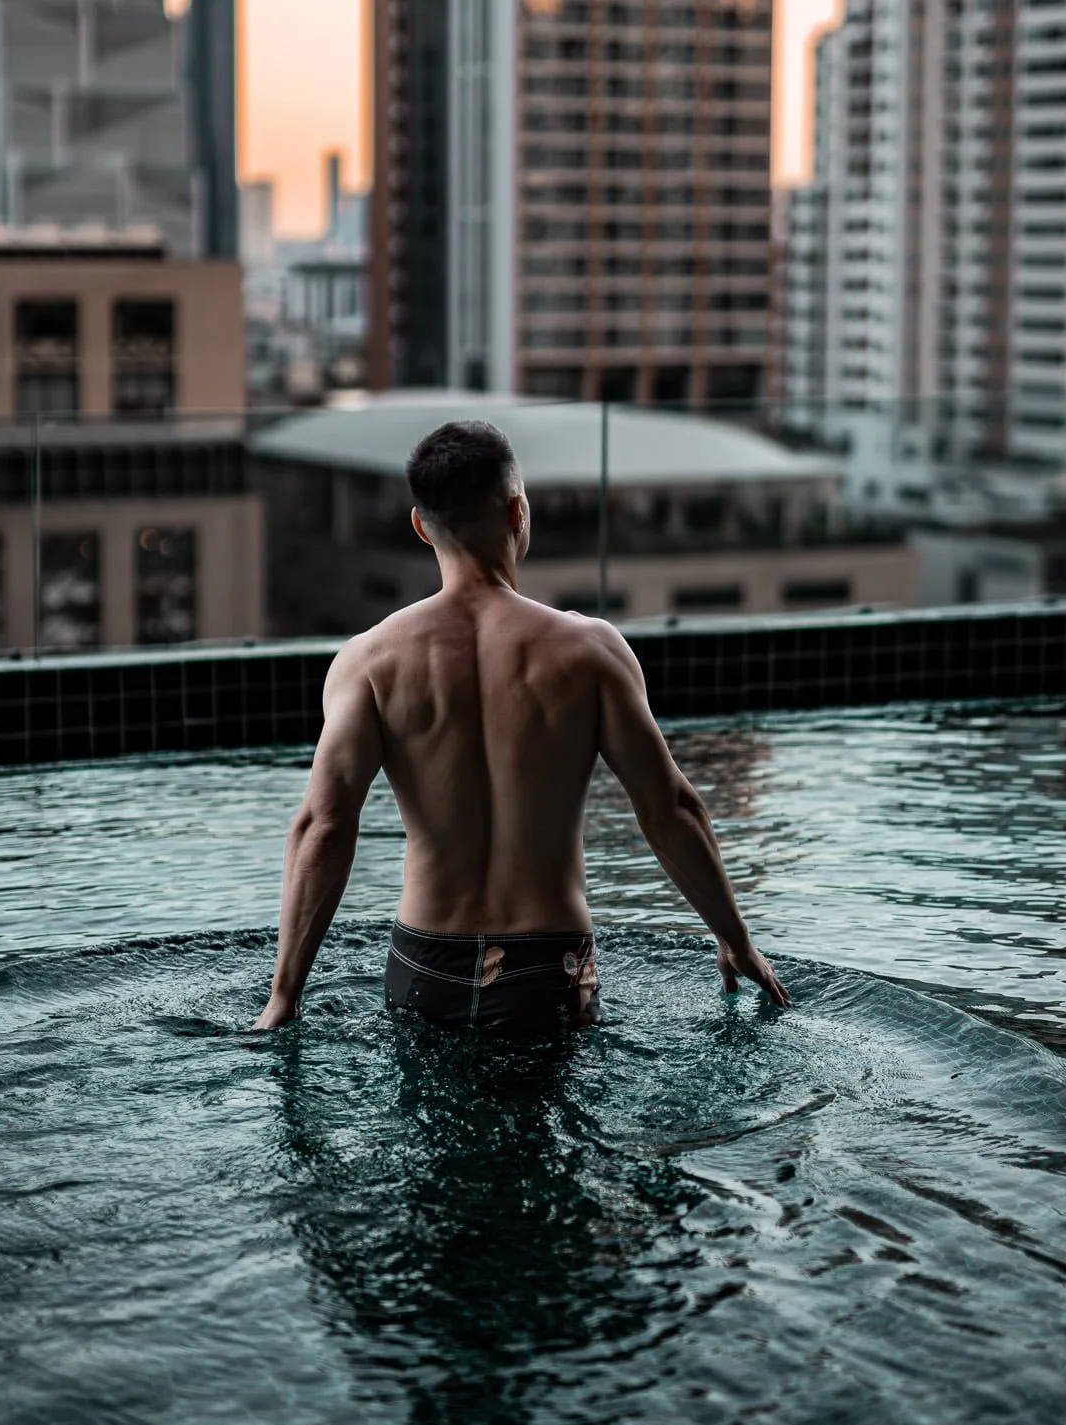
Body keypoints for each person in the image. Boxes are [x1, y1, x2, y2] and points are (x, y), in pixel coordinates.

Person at [251, 419, 789, 1033]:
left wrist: (283, 995)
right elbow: (670, 808)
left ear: (421, 526)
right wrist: (735, 938)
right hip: (550, 964)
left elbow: (323, 826)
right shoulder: (590, 652)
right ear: (517, 510)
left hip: (427, 960)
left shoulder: (370, 661)